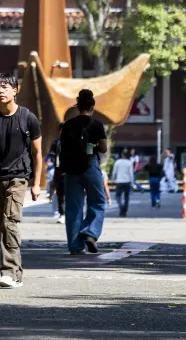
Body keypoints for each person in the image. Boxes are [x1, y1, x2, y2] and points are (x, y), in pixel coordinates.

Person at [0, 73, 43, 289]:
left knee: (10, 222)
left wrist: (36, 182)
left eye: (5, 87)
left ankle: (9, 272)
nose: (0, 91)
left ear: (15, 90)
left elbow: (37, 152)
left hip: (19, 178)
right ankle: (17, 271)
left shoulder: (28, 118)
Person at [59, 89, 109, 254]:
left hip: (71, 169)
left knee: (73, 207)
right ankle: (90, 233)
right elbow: (103, 148)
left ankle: (75, 246)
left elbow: (62, 148)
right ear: (92, 106)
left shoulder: (67, 125)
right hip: (90, 165)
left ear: (77, 106)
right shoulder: (96, 125)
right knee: (98, 202)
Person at [112, 149, 134, 217]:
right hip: (127, 181)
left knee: (118, 196)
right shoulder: (129, 162)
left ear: (121, 155)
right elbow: (131, 174)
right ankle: (124, 211)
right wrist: (132, 183)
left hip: (119, 181)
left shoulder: (117, 162)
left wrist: (113, 179)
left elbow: (114, 172)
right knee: (126, 197)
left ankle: (121, 207)